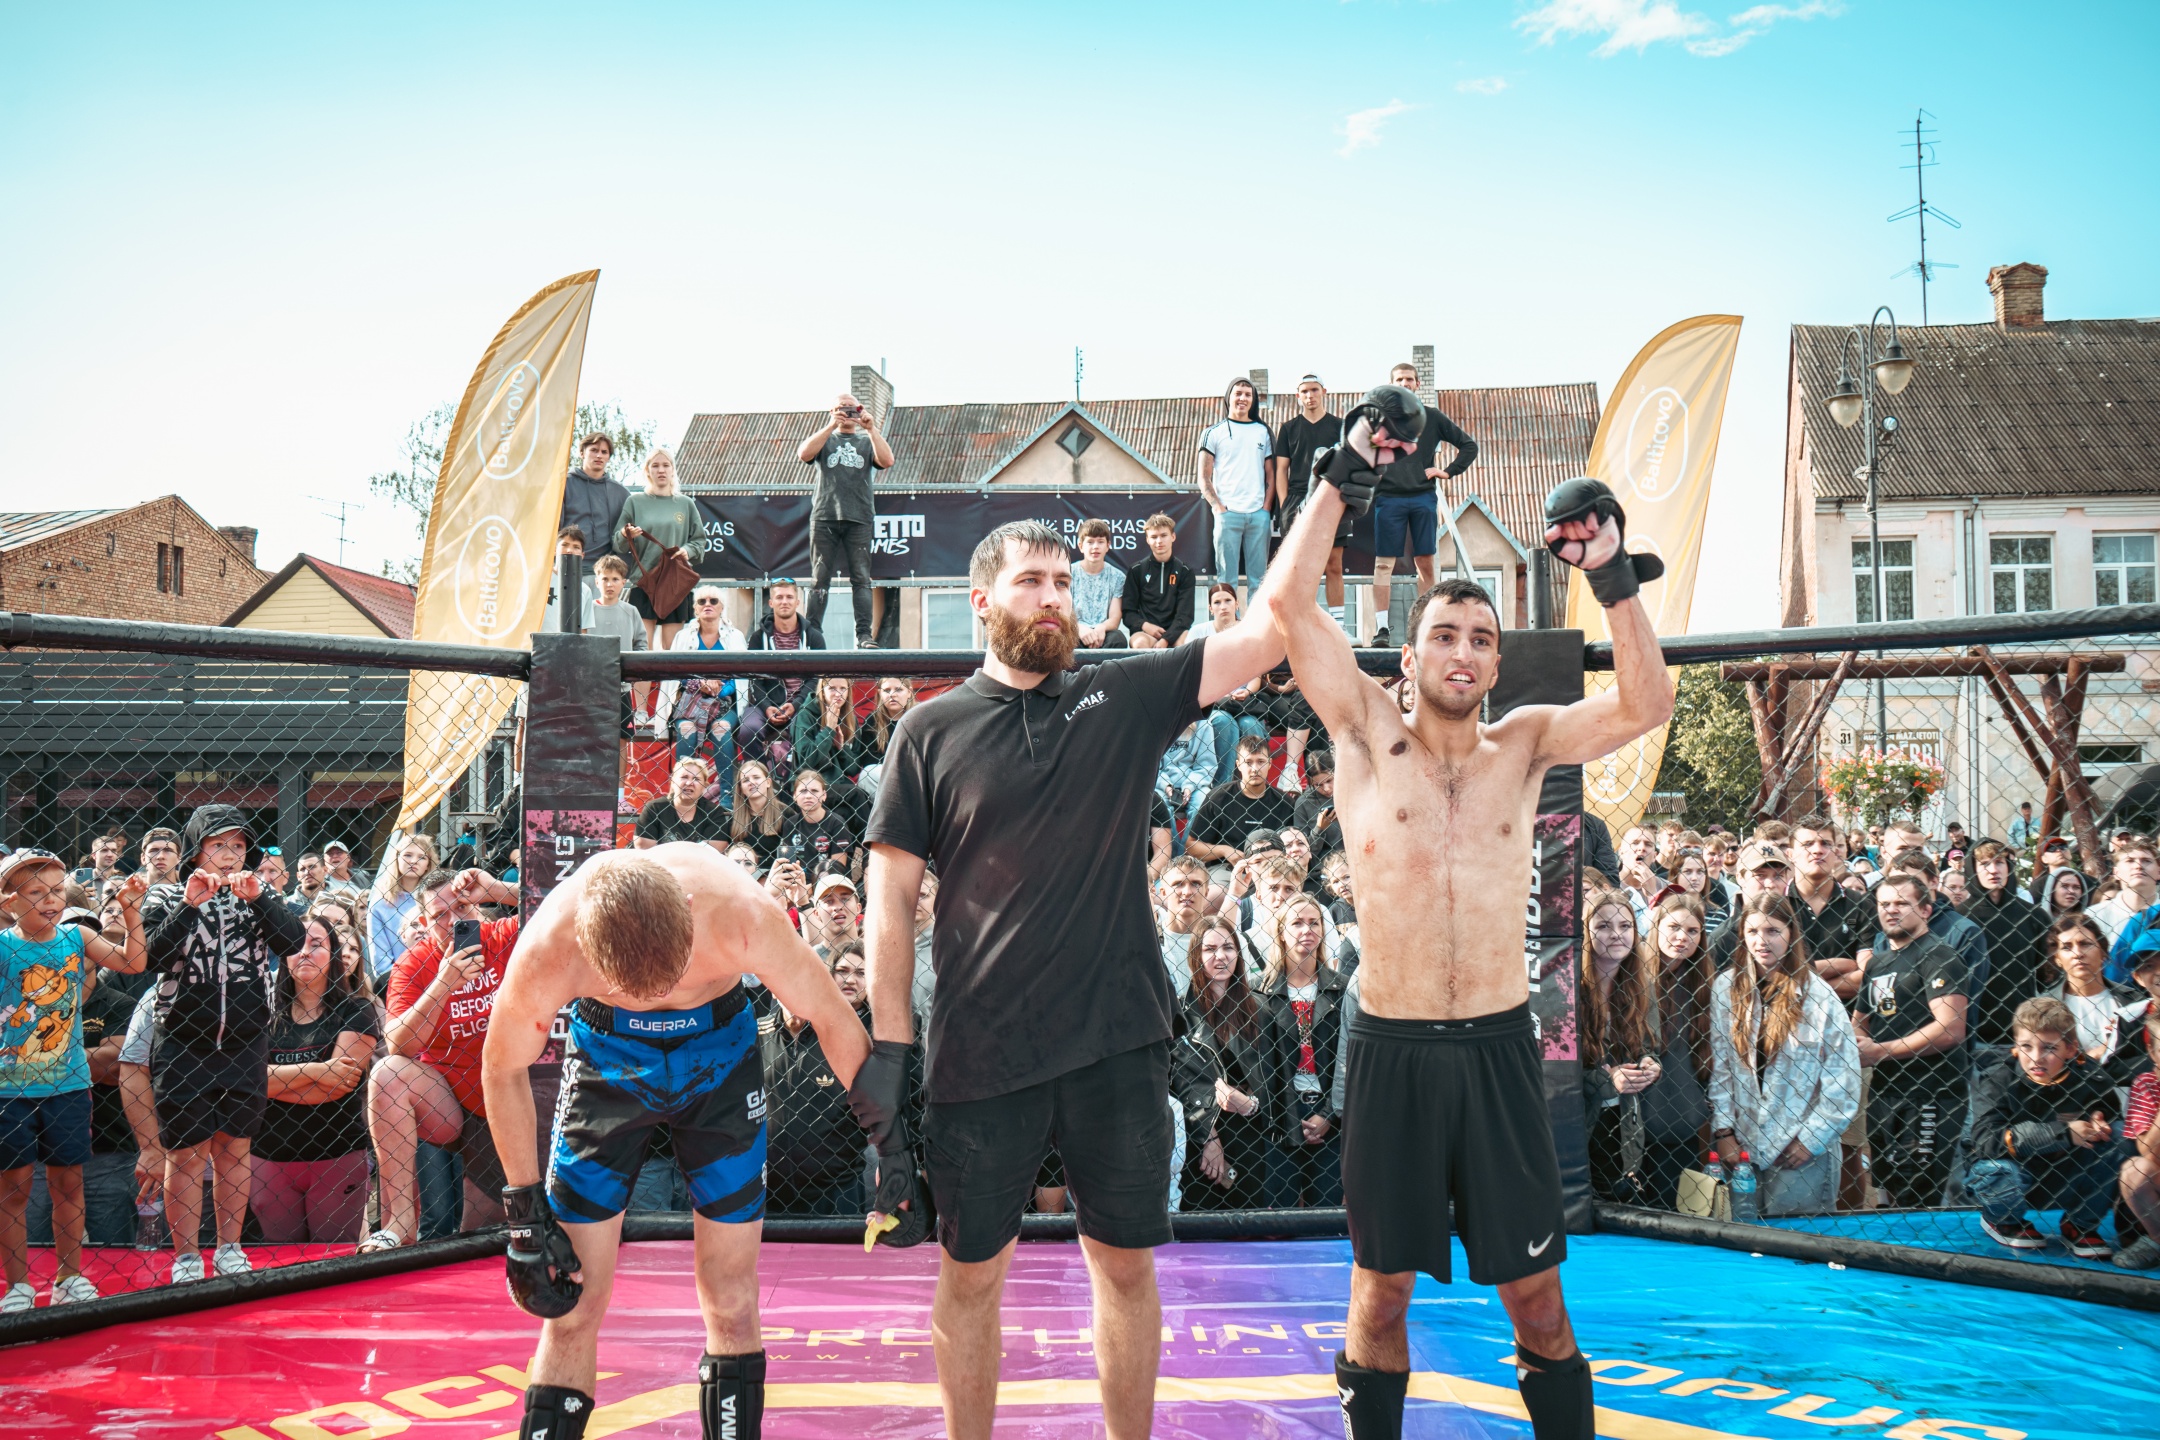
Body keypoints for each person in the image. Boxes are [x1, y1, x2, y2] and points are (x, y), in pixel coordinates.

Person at [1270, 406, 1674, 1438]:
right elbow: (1287, 606)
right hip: (1392, 1050)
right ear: (1408, 658)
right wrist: (1342, 475)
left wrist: (1612, 574)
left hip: (1499, 1050)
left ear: (1497, 665)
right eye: (1443, 636)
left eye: (1481, 640)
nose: (1463, 651)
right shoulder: (1364, 731)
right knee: (1380, 1295)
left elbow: (1645, 704)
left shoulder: (1524, 743)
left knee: (1537, 1299)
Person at [853, 514, 1296, 1440]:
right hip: (981, 1052)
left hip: (1117, 1043)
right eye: (1032, 582)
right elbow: (888, 901)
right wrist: (888, 1050)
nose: (1054, 597)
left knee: (1125, 1269)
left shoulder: (1122, 694)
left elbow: (1265, 635)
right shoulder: (929, 729)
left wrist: (1332, 484)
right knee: (970, 1276)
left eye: (1063, 582)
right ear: (982, 601)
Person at [480, 843, 870, 1440]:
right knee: (571, 1301)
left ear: (688, 910)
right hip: (608, 1062)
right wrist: (524, 1214)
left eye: (672, 975)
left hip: (719, 1055)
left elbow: (833, 1017)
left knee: (731, 1294)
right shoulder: (551, 943)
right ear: (588, 944)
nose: (657, 996)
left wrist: (892, 1145)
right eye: (637, 986)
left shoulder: (740, 909)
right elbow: (501, 1066)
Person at [138, 807, 306, 1283]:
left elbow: (293, 941)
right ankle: (187, 1256)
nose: (230, 855)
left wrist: (261, 900)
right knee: (186, 1152)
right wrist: (189, 906)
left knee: (235, 1148)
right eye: (218, 845)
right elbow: (150, 956)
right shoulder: (167, 894)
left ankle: (229, 1248)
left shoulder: (260, 892)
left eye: (238, 845)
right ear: (197, 851)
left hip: (245, 1041)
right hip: (183, 1042)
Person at [0, 851, 146, 1311]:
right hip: (10, 1090)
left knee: (68, 1183)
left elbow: (133, 963)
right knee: (14, 1189)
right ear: (9, 901)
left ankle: (69, 1276)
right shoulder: (3, 948)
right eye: (36, 893)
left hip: (67, 1087)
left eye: (56, 891)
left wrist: (131, 911)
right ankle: (18, 1285)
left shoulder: (76, 937)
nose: (50, 901)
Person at [365, 867, 523, 1250]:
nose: (452, 921)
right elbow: (399, 1045)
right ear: (423, 923)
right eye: (439, 915)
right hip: (453, 1105)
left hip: (517, 1100)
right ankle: (400, 1222)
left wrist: (499, 889)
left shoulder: (502, 935)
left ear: (479, 907)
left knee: (481, 1236)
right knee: (387, 1073)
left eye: (462, 908)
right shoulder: (414, 963)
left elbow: (566, 906)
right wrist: (444, 982)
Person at [1707, 894, 1860, 1218]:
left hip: (1801, 1150)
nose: (1761, 941)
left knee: (1799, 1239)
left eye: (1773, 931)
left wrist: (1810, 1140)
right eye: (1752, 931)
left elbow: (1843, 1081)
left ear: (1791, 933)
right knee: (1743, 1236)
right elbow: (1721, 1067)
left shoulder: (1819, 996)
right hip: (1743, 1146)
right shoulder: (1725, 988)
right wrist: (1724, 1132)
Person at [251, 915, 379, 1243]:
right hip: (268, 1156)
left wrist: (269, 1082)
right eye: (295, 945)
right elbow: (246, 1080)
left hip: (337, 1152)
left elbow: (337, 1087)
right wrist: (318, 1071)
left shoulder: (357, 1010)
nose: (305, 952)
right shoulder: (262, 1013)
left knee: (335, 1260)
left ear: (334, 954)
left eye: (316, 944)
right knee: (281, 1262)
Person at [1968, 996, 2121, 1257]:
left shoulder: (2091, 1076)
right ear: (2015, 1046)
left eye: (2049, 1048)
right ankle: (2003, 1220)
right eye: (2026, 1046)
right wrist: (2062, 1134)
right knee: (1996, 1170)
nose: (2036, 1058)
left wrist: (2099, 1123)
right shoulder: (1997, 1078)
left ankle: (2080, 1224)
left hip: (2067, 1173)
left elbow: (2110, 1115)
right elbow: (1984, 1141)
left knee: (2118, 1137)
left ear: (2071, 1049)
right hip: (2014, 1171)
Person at [1854, 873, 1970, 1208]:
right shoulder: (1877, 964)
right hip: (1885, 1092)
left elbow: (1950, 1028)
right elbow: (1859, 1022)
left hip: (1931, 1093)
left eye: (1901, 903)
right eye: (1884, 904)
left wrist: (1880, 1051)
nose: (1891, 910)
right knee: (1887, 1190)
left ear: (1925, 910)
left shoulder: (1939, 956)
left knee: (1919, 1198)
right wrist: (1860, 1043)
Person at [1364, 361, 1478, 647]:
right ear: (1391, 385)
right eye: (1399, 379)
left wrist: (1447, 471)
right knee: (1383, 565)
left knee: (1425, 564)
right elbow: (1360, 454)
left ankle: (1426, 626)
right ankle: (1381, 630)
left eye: (1409, 379)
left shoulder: (1432, 417)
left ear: (1417, 384)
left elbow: (1469, 446)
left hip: (1422, 498)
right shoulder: (1378, 421)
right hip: (1388, 498)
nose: (1404, 383)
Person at [763, 940, 880, 1217]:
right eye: (842, 971)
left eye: (861, 973)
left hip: (835, 1186)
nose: (850, 980)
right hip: (769, 1187)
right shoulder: (757, 1034)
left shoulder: (852, 1036)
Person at [1258, 894, 1346, 1208]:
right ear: (1281, 932)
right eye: (1296, 922)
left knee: (1328, 1217)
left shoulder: (1342, 989)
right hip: (1280, 1117)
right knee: (1277, 1218)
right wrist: (1291, 1117)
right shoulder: (1259, 991)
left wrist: (1327, 1114)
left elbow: (1348, 1060)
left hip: (1331, 1115)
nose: (1306, 930)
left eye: (1314, 922)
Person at [1181, 915, 1268, 1210]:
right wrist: (1208, 1136)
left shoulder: (1261, 1010)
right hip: (1197, 1130)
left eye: (1228, 947)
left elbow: (1276, 1085)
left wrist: (1251, 1105)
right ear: (1195, 956)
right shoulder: (1180, 1015)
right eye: (1210, 949)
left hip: (1251, 1131)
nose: (1220, 956)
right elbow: (1179, 1083)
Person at [1579, 892, 1662, 1203]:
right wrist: (1607, 1080)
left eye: (1625, 925)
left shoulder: (1641, 985)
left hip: (1623, 1120)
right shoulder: (1568, 987)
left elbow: (1648, 1047)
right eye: (1604, 926)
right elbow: (1554, 1070)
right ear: (1586, 932)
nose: (1616, 934)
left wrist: (1650, 1064)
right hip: (1575, 1121)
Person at [797, 393, 895, 648]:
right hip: (825, 515)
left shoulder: (866, 440)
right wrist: (831, 424)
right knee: (819, 578)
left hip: (859, 516)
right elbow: (803, 454)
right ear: (832, 411)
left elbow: (887, 461)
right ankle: (813, 634)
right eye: (843, 408)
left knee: (861, 578)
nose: (848, 413)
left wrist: (871, 429)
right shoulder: (825, 438)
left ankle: (864, 635)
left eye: (853, 408)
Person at [1639, 895, 1712, 1210]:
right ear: (1656, 927)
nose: (1682, 937)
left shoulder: (1702, 985)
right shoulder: (1634, 978)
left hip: (1684, 1122)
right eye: (1673, 927)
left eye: (1692, 931)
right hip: (1636, 1121)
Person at [2035, 913, 2150, 1087]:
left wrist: (2086, 1063)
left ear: (2103, 952)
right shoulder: (2043, 1009)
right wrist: (2096, 1056)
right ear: (2057, 959)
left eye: (2085, 944)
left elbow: (2150, 1062)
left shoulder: (2134, 1002)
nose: (2077, 953)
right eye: (2066, 947)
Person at [1272, 374, 1349, 627]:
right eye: (1304, 391)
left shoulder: (1340, 426)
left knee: (1334, 565)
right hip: (1297, 501)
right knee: (1299, 568)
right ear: (1298, 396)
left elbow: (1348, 464)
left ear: (1324, 392)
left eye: (1314, 390)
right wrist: (1285, 504)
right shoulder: (1288, 428)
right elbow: (1281, 470)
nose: (1310, 395)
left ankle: (1339, 627)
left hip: (1332, 498)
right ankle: (1301, 626)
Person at [614, 447, 708, 651]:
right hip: (644, 582)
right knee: (642, 649)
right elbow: (617, 543)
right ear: (647, 471)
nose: (661, 470)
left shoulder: (685, 504)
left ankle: (671, 677)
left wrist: (687, 551)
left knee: (673, 650)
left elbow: (699, 542)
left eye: (666, 465)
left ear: (673, 469)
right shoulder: (634, 502)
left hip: (675, 583)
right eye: (655, 465)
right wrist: (625, 534)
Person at [663, 585, 749, 793]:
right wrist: (700, 684)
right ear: (695, 608)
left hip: (725, 704)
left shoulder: (735, 636)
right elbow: (677, 674)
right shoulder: (683, 637)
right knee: (687, 729)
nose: (707, 605)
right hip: (690, 703)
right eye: (702, 601)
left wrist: (720, 691)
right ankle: (681, 791)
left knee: (721, 729)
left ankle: (727, 796)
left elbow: (740, 677)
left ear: (722, 607)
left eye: (713, 601)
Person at [1968, 840, 2052, 1047]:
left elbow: (2047, 974)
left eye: (1999, 862)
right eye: (1984, 863)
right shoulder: (1960, 918)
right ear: (1972, 869)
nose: (1993, 870)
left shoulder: (2034, 917)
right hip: (1974, 1033)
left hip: (2025, 1030)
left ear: (2009, 867)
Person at [1198, 376, 1273, 598]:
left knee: (1259, 582)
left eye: (1248, 395)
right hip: (1227, 514)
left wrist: (1266, 509)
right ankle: (1229, 621)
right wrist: (1218, 508)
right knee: (1226, 581)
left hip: (1258, 515)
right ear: (1228, 397)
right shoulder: (1213, 432)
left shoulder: (1263, 432)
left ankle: (1256, 622)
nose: (1243, 398)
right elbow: (1203, 477)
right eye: (1238, 393)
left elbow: (1271, 474)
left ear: (1253, 400)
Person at [742, 581, 825, 779]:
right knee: (748, 730)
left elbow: (816, 679)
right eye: (779, 597)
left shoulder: (814, 637)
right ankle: (759, 781)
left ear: (798, 602)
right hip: (765, 705)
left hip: (803, 704)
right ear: (771, 603)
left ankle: (798, 784)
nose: (784, 602)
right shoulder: (758, 638)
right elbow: (754, 680)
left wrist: (796, 704)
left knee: (803, 730)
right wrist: (766, 707)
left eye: (789, 597)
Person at [1185, 736, 1296, 877]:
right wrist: (1224, 850)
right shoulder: (1219, 798)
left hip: (1273, 870)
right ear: (1238, 764)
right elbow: (1191, 846)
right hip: (1226, 869)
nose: (1255, 769)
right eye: (1248, 762)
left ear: (1270, 763)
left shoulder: (1285, 802)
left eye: (1261, 761)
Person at [585, 556, 652, 733]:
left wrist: (631, 670)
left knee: (622, 736)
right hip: (591, 687)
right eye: (605, 579)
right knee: (592, 734)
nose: (610, 584)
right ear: (597, 581)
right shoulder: (586, 610)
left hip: (622, 687)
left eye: (615, 579)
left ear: (623, 582)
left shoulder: (631, 611)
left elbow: (641, 644)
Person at [367, 833, 440, 984]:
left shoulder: (437, 899)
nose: (413, 861)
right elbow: (381, 962)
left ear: (428, 864)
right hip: (399, 981)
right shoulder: (379, 904)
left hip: (440, 975)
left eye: (422, 857)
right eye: (407, 855)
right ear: (396, 859)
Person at [559, 433, 629, 580]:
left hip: (604, 573)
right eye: (594, 450)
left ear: (608, 457)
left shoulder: (621, 493)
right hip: (568, 569)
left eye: (604, 452)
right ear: (582, 453)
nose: (599, 455)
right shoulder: (564, 485)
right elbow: (553, 529)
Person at [1121, 513, 1196, 649]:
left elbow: (1185, 615)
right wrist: (1145, 626)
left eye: (1163, 535)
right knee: (1139, 643)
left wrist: (1166, 639)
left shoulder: (1185, 571)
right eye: (1154, 537)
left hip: (1175, 633)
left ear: (1173, 537)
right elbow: (1128, 612)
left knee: (1185, 643)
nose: (1159, 541)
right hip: (1146, 632)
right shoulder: (1136, 570)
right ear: (1147, 540)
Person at [636, 758, 730, 851]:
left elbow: (712, 851)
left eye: (696, 779)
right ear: (672, 782)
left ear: (704, 785)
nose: (689, 783)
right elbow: (644, 849)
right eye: (684, 777)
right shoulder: (654, 808)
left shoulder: (714, 812)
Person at [779, 770, 856, 879]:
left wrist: (810, 888)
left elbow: (837, 869)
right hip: (798, 882)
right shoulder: (790, 824)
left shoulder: (837, 823)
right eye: (803, 791)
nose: (808, 796)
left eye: (814, 791)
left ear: (824, 795)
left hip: (830, 882)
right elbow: (787, 865)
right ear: (795, 796)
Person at [1153, 858, 1211, 999]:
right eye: (1178, 884)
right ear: (1163, 892)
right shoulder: (1150, 940)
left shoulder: (1222, 940)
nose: (1187, 892)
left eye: (1195, 884)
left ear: (1206, 892)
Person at [2086, 837, 2158, 944]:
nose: (2138, 866)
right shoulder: (2095, 915)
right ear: (2116, 873)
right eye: (2130, 861)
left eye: (2146, 861)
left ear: (2159, 872)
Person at [1071, 518, 1128, 649]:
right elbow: (1062, 612)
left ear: (1108, 545)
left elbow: (1114, 619)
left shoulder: (1118, 577)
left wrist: (1101, 628)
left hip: (1104, 633)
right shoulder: (1068, 573)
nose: (1095, 547)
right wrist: (1079, 628)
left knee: (1118, 639)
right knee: (1065, 640)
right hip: (1076, 630)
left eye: (1100, 542)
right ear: (1081, 546)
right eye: (1090, 542)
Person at [729, 761, 795, 870]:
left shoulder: (786, 813)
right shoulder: (735, 818)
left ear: (768, 782)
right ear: (741, 788)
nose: (751, 782)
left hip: (775, 874)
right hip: (744, 875)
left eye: (756, 777)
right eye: (746, 780)